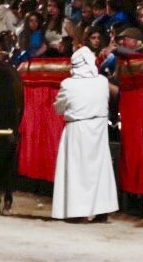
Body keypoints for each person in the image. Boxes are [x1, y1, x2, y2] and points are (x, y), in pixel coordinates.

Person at [50, 45, 120, 221]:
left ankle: (78, 211)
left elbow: (58, 108)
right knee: (100, 169)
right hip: (98, 129)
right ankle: (102, 210)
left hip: (77, 130)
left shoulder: (68, 84)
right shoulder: (102, 82)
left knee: (78, 171)